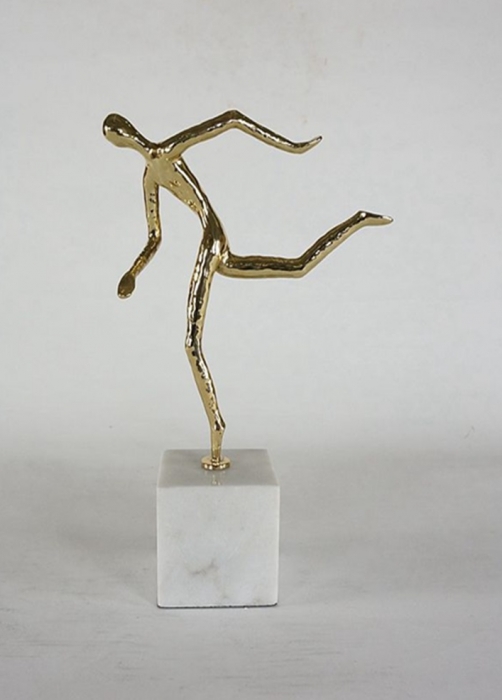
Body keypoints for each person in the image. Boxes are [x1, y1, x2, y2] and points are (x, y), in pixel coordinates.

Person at [103, 110, 392, 469]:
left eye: (120, 132)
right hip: (216, 249)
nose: (124, 139)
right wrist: (133, 272)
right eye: (116, 138)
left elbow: (232, 119)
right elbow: (154, 238)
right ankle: (357, 220)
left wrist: (293, 147)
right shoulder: (149, 179)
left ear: (129, 129)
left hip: (212, 239)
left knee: (191, 343)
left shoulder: (168, 151)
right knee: (298, 267)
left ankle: (217, 429)